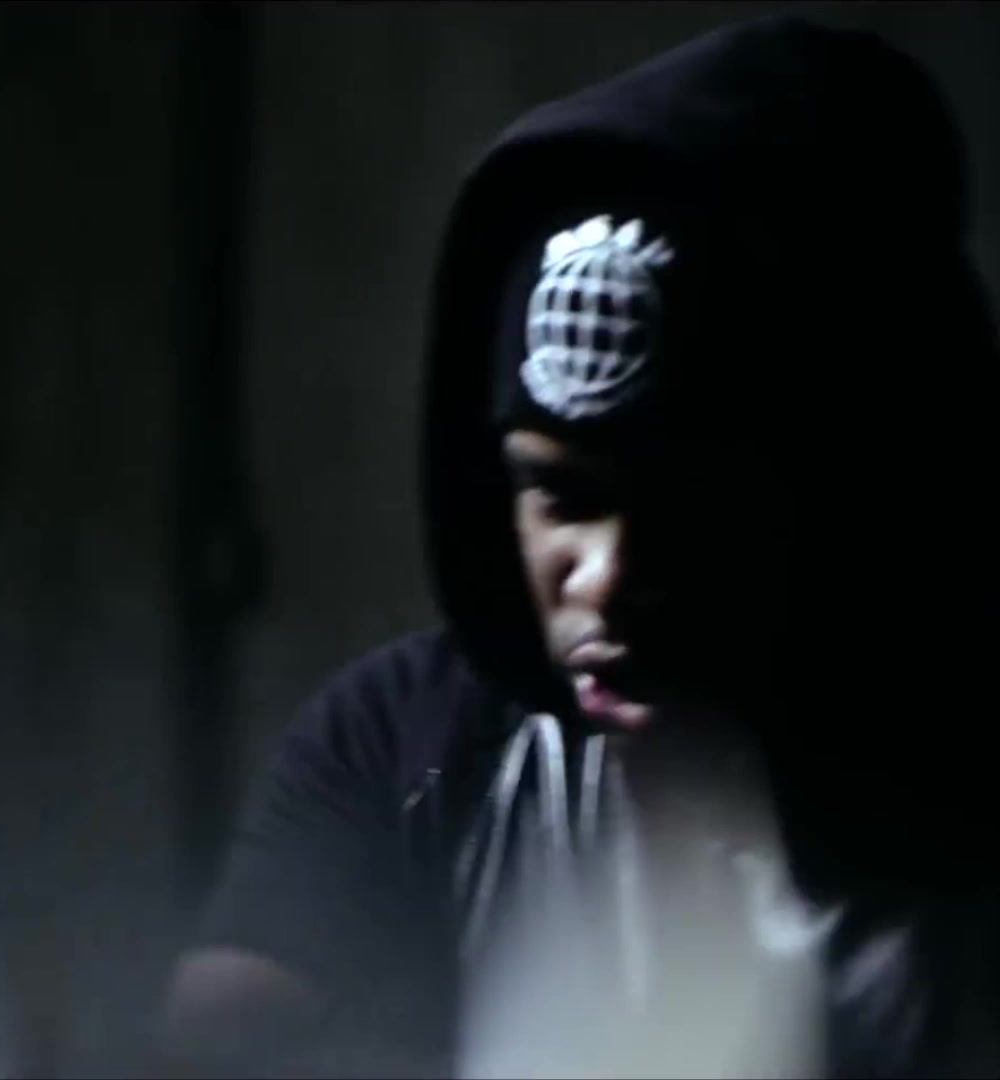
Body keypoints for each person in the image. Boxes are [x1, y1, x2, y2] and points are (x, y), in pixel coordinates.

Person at [162, 16, 1000, 1078]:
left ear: (848, 484)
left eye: (693, 504)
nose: (606, 578)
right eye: (559, 496)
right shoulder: (413, 750)